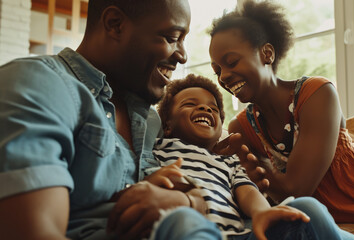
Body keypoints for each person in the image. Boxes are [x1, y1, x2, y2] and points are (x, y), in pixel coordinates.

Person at [0, 0, 223, 239]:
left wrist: (184, 200)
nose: (182, 55)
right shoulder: (36, 84)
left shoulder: (150, 120)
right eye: (171, 37)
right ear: (114, 24)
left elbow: (195, 195)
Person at [208, 0, 354, 240]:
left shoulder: (316, 93)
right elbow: (269, 200)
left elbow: (297, 189)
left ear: (267, 53)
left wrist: (254, 162)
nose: (224, 76)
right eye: (217, 70)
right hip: (344, 222)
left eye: (231, 62)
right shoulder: (241, 127)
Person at [147, 74, 354, 240]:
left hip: (241, 236)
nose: (204, 108)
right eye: (189, 104)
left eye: (213, 108)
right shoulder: (159, 150)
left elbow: (247, 191)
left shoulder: (228, 161)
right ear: (166, 124)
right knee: (183, 220)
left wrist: (262, 213)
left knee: (308, 207)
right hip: (190, 229)